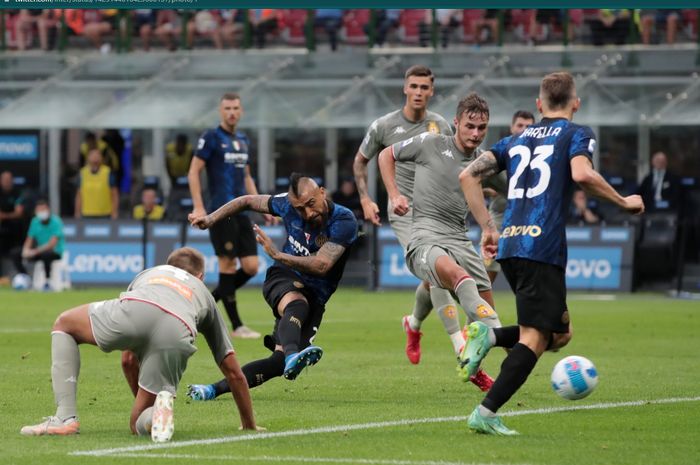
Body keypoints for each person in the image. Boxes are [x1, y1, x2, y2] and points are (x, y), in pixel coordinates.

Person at [459, 71, 644, 435]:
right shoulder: (577, 133)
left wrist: (488, 227)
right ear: (575, 103)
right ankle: (486, 412)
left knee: (560, 334)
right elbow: (583, 175)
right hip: (541, 246)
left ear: (539, 105)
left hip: (511, 243)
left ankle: (491, 337)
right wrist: (623, 202)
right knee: (537, 338)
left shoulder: (516, 138)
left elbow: (468, 175)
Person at [20, 247, 258, 438]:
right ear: (201, 277)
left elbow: (127, 359)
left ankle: (65, 418)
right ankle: (153, 415)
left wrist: (140, 395)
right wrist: (249, 425)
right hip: (178, 328)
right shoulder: (203, 293)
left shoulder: (150, 273)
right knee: (137, 425)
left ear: (167, 265)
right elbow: (233, 371)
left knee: (64, 324)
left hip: (139, 307)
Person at [186, 173, 358, 400]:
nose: (307, 213)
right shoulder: (285, 204)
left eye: (311, 204)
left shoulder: (343, 221)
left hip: (317, 294)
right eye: (300, 209)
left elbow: (322, 265)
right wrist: (211, 219)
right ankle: (293, 355)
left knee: (276, 364)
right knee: (297, 304)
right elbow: (247, 200)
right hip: (283, 276)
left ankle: (210, 390)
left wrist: (277, 253)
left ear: (322, 193)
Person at [377, 92, 502, 391]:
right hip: (425, 235)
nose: (475, 134)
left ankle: (420, 327)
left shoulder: (484, 163)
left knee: (482, 307)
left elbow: (510, 190)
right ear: (455, 123)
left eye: (481, 128)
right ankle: (467, 352)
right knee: (456, 279)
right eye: (469, 126)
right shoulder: (431, 143)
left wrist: (490, 227)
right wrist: (394, 194)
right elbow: (386, 155)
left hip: (461, 239)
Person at [352, 65, 464, 372]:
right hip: (404, 211)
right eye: (413, 86)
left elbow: (454, 163)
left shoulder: (440, 125)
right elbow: (361, 161)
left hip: (438, 211)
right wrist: (366, 197)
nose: (418, 92)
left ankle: (413, 324)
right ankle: (461, 347)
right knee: (435, 269)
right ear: (405, 88)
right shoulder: (384, 126)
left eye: (424, 87)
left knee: (438, 274)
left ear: (431, 91)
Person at [188, 92, 266, 339]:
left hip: (242, 210)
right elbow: (193, 172)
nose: (232, 112)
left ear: (241, 111)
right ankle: (237, 326)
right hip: (220, 212)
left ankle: (205, 303)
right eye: (227, 108)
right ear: (221, 111)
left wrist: (263, 205)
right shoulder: (211, 137)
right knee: (228, 264)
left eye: (235, 108)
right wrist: (199, 207)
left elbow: (247, 177)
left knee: (252, 267)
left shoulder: (243, 140)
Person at [483, 110, 535, 284]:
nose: (524, 130)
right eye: (520, 125)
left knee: (529, 272)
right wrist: (487, 190)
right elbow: (472, 180)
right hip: (499, 218)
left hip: (528, 221)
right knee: (488, 269)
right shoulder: (501, 152)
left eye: (529, 126)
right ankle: (479, 309)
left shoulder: (542, 156)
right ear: (512, 127)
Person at [10, 199, 64, 290]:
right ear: (36, 211)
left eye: (43, 209)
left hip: (55, 252)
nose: (41, 212)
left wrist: (35, 251)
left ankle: (48, 282)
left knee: (47, 255)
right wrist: (25, 250)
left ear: (48, 210)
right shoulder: (35, 221)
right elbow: (29, 239)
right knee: (15, 253)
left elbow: (52, 244)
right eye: (39, 210)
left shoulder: (56, 221)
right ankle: (25, 278)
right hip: (39, 251)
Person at [75, 149, 119, 219]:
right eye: (93, 155)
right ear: (88, 158)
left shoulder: (107, 172)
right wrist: (77, 212)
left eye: (97, 155)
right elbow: (79, 195)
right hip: (87, 214)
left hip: (105, 214)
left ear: (101, 158)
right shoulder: (82, 173)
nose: (95, 158)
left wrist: (114, 211)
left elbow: (114, 194)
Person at [0, 171, 26, 273]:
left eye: (8, 179)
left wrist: (4, 216)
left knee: (16, 252)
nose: (6, 182)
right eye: (4, 179)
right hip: (1, 229)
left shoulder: (17, 193)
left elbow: (19, 212)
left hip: (16, 229)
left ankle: (21, 276)